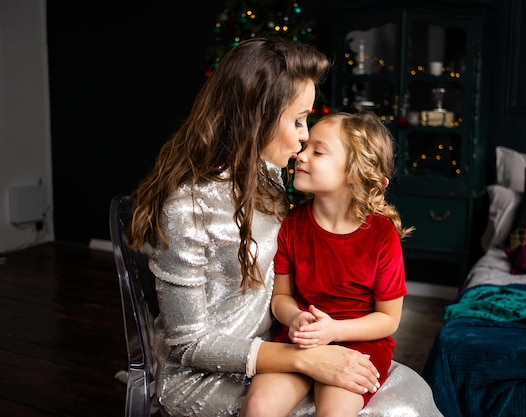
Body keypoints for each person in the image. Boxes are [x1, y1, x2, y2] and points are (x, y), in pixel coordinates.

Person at [127, 37, 443, 417]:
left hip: (282, 344)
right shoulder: (188, 210)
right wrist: (304, 358)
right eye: (297, 120)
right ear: (256, 118)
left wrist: (314, 343)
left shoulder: (270, 179)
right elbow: (188, 345)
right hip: (208, 371)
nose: (305, 135)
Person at [240, 111, 414, 417]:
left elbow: (388, 320)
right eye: (305, 148)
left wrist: (333, 331)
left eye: (317, 152)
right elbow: (281, 297)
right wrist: (295, 318)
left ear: (356, 173)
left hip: (360, 343)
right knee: (258, 406)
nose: (300, 156)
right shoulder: (292, 225)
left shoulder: (382, 235)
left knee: (335, 412)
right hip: (301, 338)